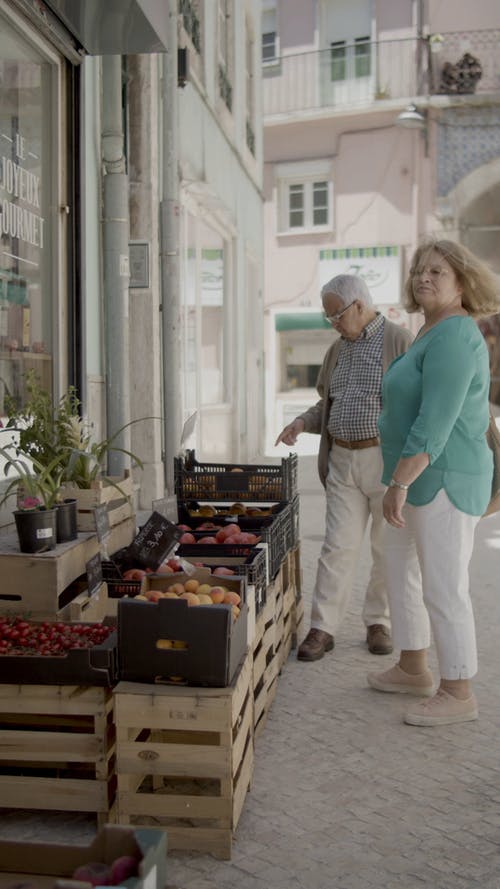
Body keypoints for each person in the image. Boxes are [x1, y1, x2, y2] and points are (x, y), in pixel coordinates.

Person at [367, 238, 499, 726]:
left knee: (444, 586)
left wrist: (399, 482)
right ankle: (412, 665)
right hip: (412, 477)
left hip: (442, 477)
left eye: (437, 272)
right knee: (401, 574)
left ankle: (459, 690)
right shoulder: (428, 331)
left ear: (462, 282)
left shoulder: (457, 335)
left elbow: (436, 420)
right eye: (419, 270)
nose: (424, 277)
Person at [275, 274, 413, 660]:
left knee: (386, 548)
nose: (333, 323)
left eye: (335, 315)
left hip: (385, 460)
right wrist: (302, 422)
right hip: (342, 460)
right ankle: (323, 627)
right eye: (329, 318)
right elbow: (327, 405)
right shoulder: (337, 349)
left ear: (358, 306)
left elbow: (419, 403)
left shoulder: (399, 342)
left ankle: (378, 621)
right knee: (337, 547)